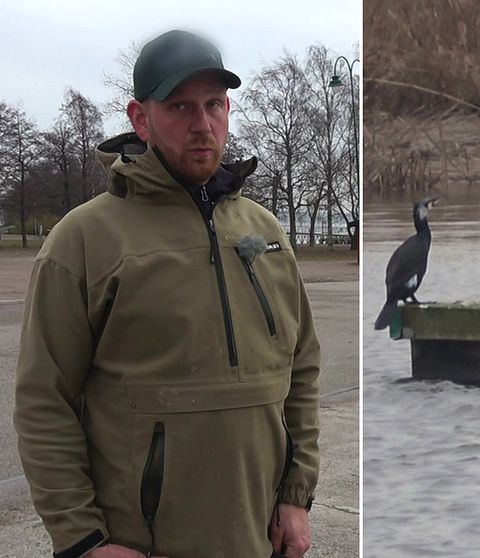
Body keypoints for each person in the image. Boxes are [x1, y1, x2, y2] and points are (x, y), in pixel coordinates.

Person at [13, 29, 320, 558]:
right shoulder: (84, 239)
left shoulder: (265, 232)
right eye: (179, 106)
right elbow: (44, 400)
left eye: (214, 105)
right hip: (144, 544)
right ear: (140, 117)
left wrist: (296, 497)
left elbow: (302, 370)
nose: (202, 125)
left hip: (259, 538)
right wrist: (83, 540)